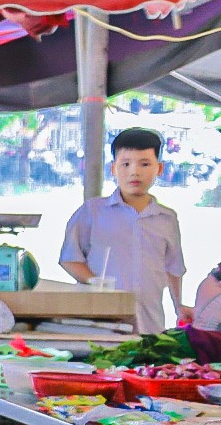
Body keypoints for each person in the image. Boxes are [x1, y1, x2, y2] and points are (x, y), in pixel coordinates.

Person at [59, 128, 187, 335]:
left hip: (151, 322)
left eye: (144, 164)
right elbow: (70, 258)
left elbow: (174, 267)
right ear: (113, 168)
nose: (134, 172)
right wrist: (94, 282)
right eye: (125, 164)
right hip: (103, 322)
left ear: (159, 168)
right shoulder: (92, 211)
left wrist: (179, 306)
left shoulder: (167, 218)